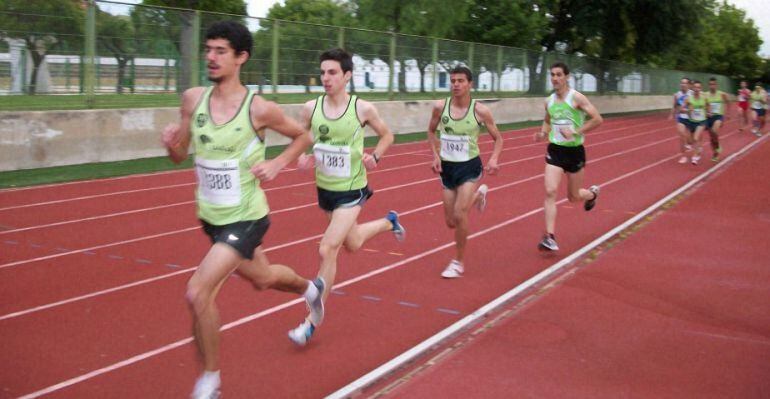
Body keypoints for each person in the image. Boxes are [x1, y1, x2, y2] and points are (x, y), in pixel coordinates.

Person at [160, 21, 325, 399]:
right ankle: (310, 289)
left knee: (198, 292)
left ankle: (210, 381)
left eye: (221, 51)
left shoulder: (259, 109)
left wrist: (278, 163)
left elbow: (304, 136)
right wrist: (170, 143)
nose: (212, 57)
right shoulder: (192, 100)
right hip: (212, 217)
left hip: (247, 216)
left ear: (241, 58)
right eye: (209, 49)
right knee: (263, 278)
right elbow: (179, 155)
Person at [289, 48, 406, 346]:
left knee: (328, 248)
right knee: (351, 243)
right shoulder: (310, 109)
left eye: (332, 73)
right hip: (325, 189)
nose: (325, 78)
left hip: (353, 190)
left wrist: (375, 158)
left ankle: (311, 321)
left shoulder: (362, 109)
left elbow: (387, 135)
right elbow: (303, 138)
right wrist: (304, 157)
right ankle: (389, 223)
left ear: (347, 76)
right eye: (323, 72)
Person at [426, 66, 503, 278]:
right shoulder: (440, 108)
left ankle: (458, 262)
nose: (456, 84)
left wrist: (494, 158)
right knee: (450, 221)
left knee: (460, 214)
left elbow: (498, 138)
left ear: (470, 84)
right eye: (453, 81)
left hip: (469, 166)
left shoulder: (480, 111)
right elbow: (431, 131)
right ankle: (479, 196)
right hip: (448, 168)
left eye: (460, 81)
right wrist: (435, 155)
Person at [535, 62, 603, 251]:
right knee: (550, 191)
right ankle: (550, 236)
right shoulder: (548, 101)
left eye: (558, 75)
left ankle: (592, 194)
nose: (555, 78)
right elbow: (547, 120)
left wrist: (576, 131)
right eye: (552, 75)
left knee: (573, 197)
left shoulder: (577, 98)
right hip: (555, 150)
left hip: (574, 152)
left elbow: (598, 119)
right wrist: (542, 132)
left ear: (567, 77)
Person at [704, 77, 730, 162]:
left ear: (716, 85)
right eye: (711, 84)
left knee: (714, 131)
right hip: (709, 117)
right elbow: (703, 106)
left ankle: (717, 148)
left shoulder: (721, 94)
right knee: (711, 138)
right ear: (708, 85)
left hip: (718, 116)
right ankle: (715, 152)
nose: (712, 86)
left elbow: (728, 102)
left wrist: (728, 113)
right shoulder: (705, 95)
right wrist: (706, 113)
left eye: (714, 84)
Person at [669, 77, 693, 164]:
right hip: (681, 117)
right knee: (681, 135)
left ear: (689, 85)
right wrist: (672, 114)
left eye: (685, 83)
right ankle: (683, 156)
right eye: (682, 83)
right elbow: (674, 105)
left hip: (691, 118)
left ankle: (689, 144)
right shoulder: (677, 95)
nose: (683, 84)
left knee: (691, 140)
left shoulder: (693, 94)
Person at [684, 80, 708, 165]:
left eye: (699, 87)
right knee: (690, 141)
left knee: (696, 138)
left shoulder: (704, 98)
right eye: (695, 87)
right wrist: (687, 110)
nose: (697, 89)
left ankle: (694, 157)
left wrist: (709, 112)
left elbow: (708, 106)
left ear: (701, 88)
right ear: (693, 88)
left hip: (701, 122)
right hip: (692, 121)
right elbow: (682, 109)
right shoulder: (688, 99)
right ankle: (698, 149)